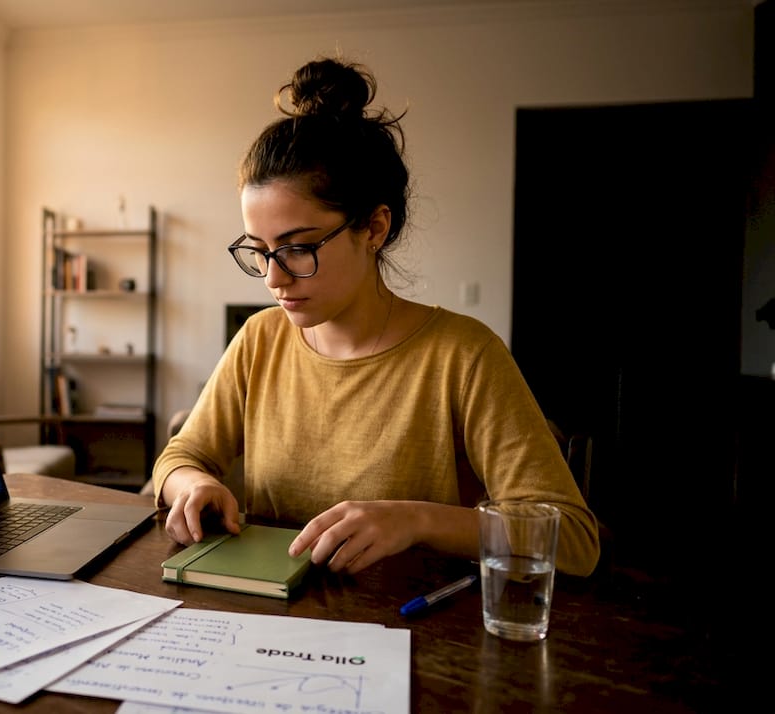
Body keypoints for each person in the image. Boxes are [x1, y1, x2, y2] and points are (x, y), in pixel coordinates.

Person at [151, 56, 600, 577]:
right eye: (259, 250)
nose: (274, 279)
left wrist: (417, 521)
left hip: (413, 634)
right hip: (270, 622)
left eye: (298, 248)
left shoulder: (464, 355)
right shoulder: (261, 338)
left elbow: (572, 538)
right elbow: (180, 456)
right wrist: (193, 485)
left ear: (374, 228)